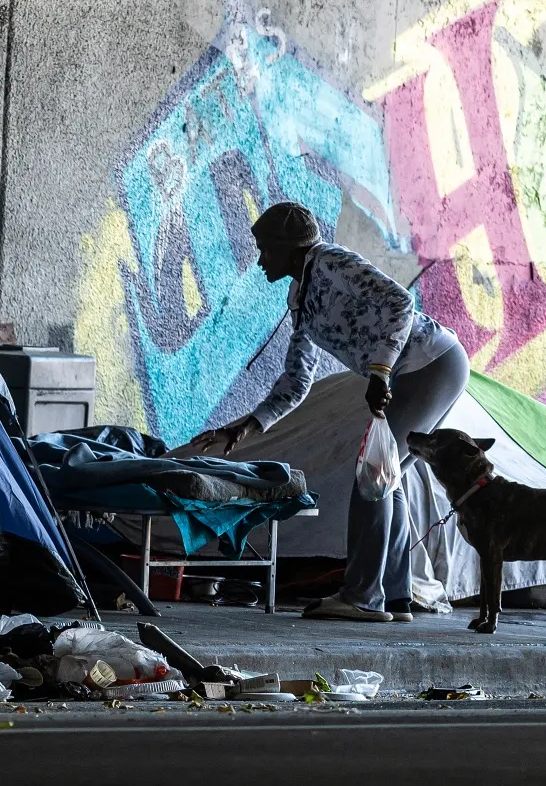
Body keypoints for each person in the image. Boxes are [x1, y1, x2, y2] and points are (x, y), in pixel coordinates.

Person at [191, 201, 469, 623]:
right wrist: (245, 427)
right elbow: (296, 380)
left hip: (430, 364)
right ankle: (395, 597)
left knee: (372, 476)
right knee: (385, 476)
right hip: (420, 368)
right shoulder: (300, 297)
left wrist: (380, 371)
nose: (260, 259)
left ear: (290, 247)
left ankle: (362, 597)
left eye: (266, 248)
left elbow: (400, 302)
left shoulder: (330, 262)